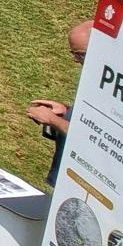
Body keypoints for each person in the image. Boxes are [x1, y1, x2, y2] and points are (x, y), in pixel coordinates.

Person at [27, 20, 97, 186]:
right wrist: (66, 110)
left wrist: (51, 119)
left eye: (80, 54)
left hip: (77, 183)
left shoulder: (110, 89)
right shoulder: (94, 76)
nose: (75, 60)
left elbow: (91, 136)